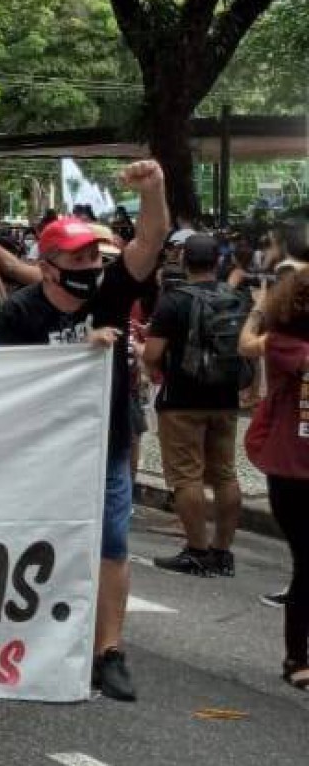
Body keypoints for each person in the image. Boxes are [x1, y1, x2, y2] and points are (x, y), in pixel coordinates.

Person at [0, 160, 169, 703]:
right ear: (47, 266)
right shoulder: (19, 314)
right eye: (78, 256)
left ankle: (109, 650)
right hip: (44, 454)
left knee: (112, 546)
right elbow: (10, 387)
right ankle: (32, 637)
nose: (91, 263)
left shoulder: (110, 293)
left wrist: (155, 190)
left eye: (95, 254)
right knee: (39, 542)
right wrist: (77, 352)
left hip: (107, 446)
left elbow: (152, 237)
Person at [143, 232, 248, 578]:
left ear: (184, 261)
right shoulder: (234, 297)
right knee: (225, 474)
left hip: (182, 401)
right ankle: (223, 551)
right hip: (225, 398)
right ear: (217, 261)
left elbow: (153, 355)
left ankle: (197, 550)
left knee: (186, 476)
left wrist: (155, 372)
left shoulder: (172, 302)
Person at [237, 268, 309, 689]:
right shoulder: (286, 346)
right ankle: (296, 657)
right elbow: (248, 345)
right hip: (293, 472)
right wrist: (259, 310)